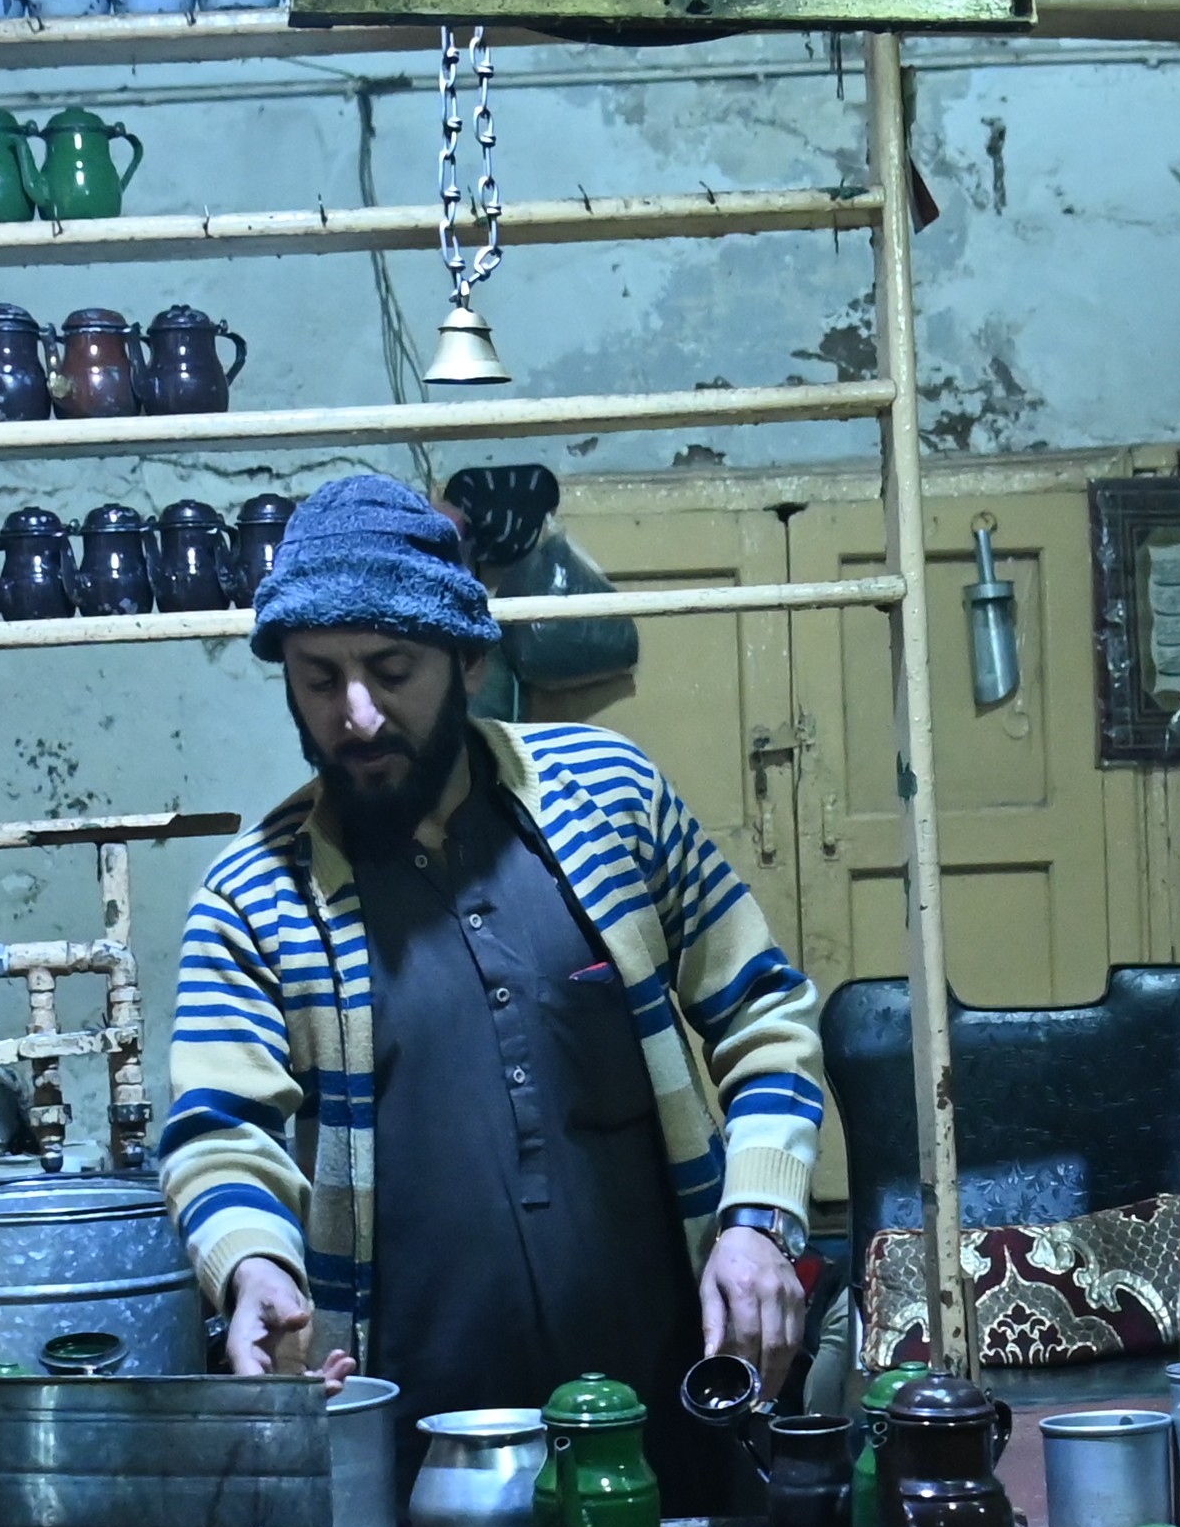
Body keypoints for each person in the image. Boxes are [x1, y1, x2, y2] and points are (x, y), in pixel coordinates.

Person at [157, 474, 826, 1471]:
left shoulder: (612, 798)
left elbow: (764, 1013)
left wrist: (760, 1221)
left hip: (675, 1421)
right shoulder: (254, 894)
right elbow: (220, 1134)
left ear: (468, 660)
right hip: (415, 1463)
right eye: (318, 677)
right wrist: (250, 1267)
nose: (357, 714)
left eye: (391, 670)